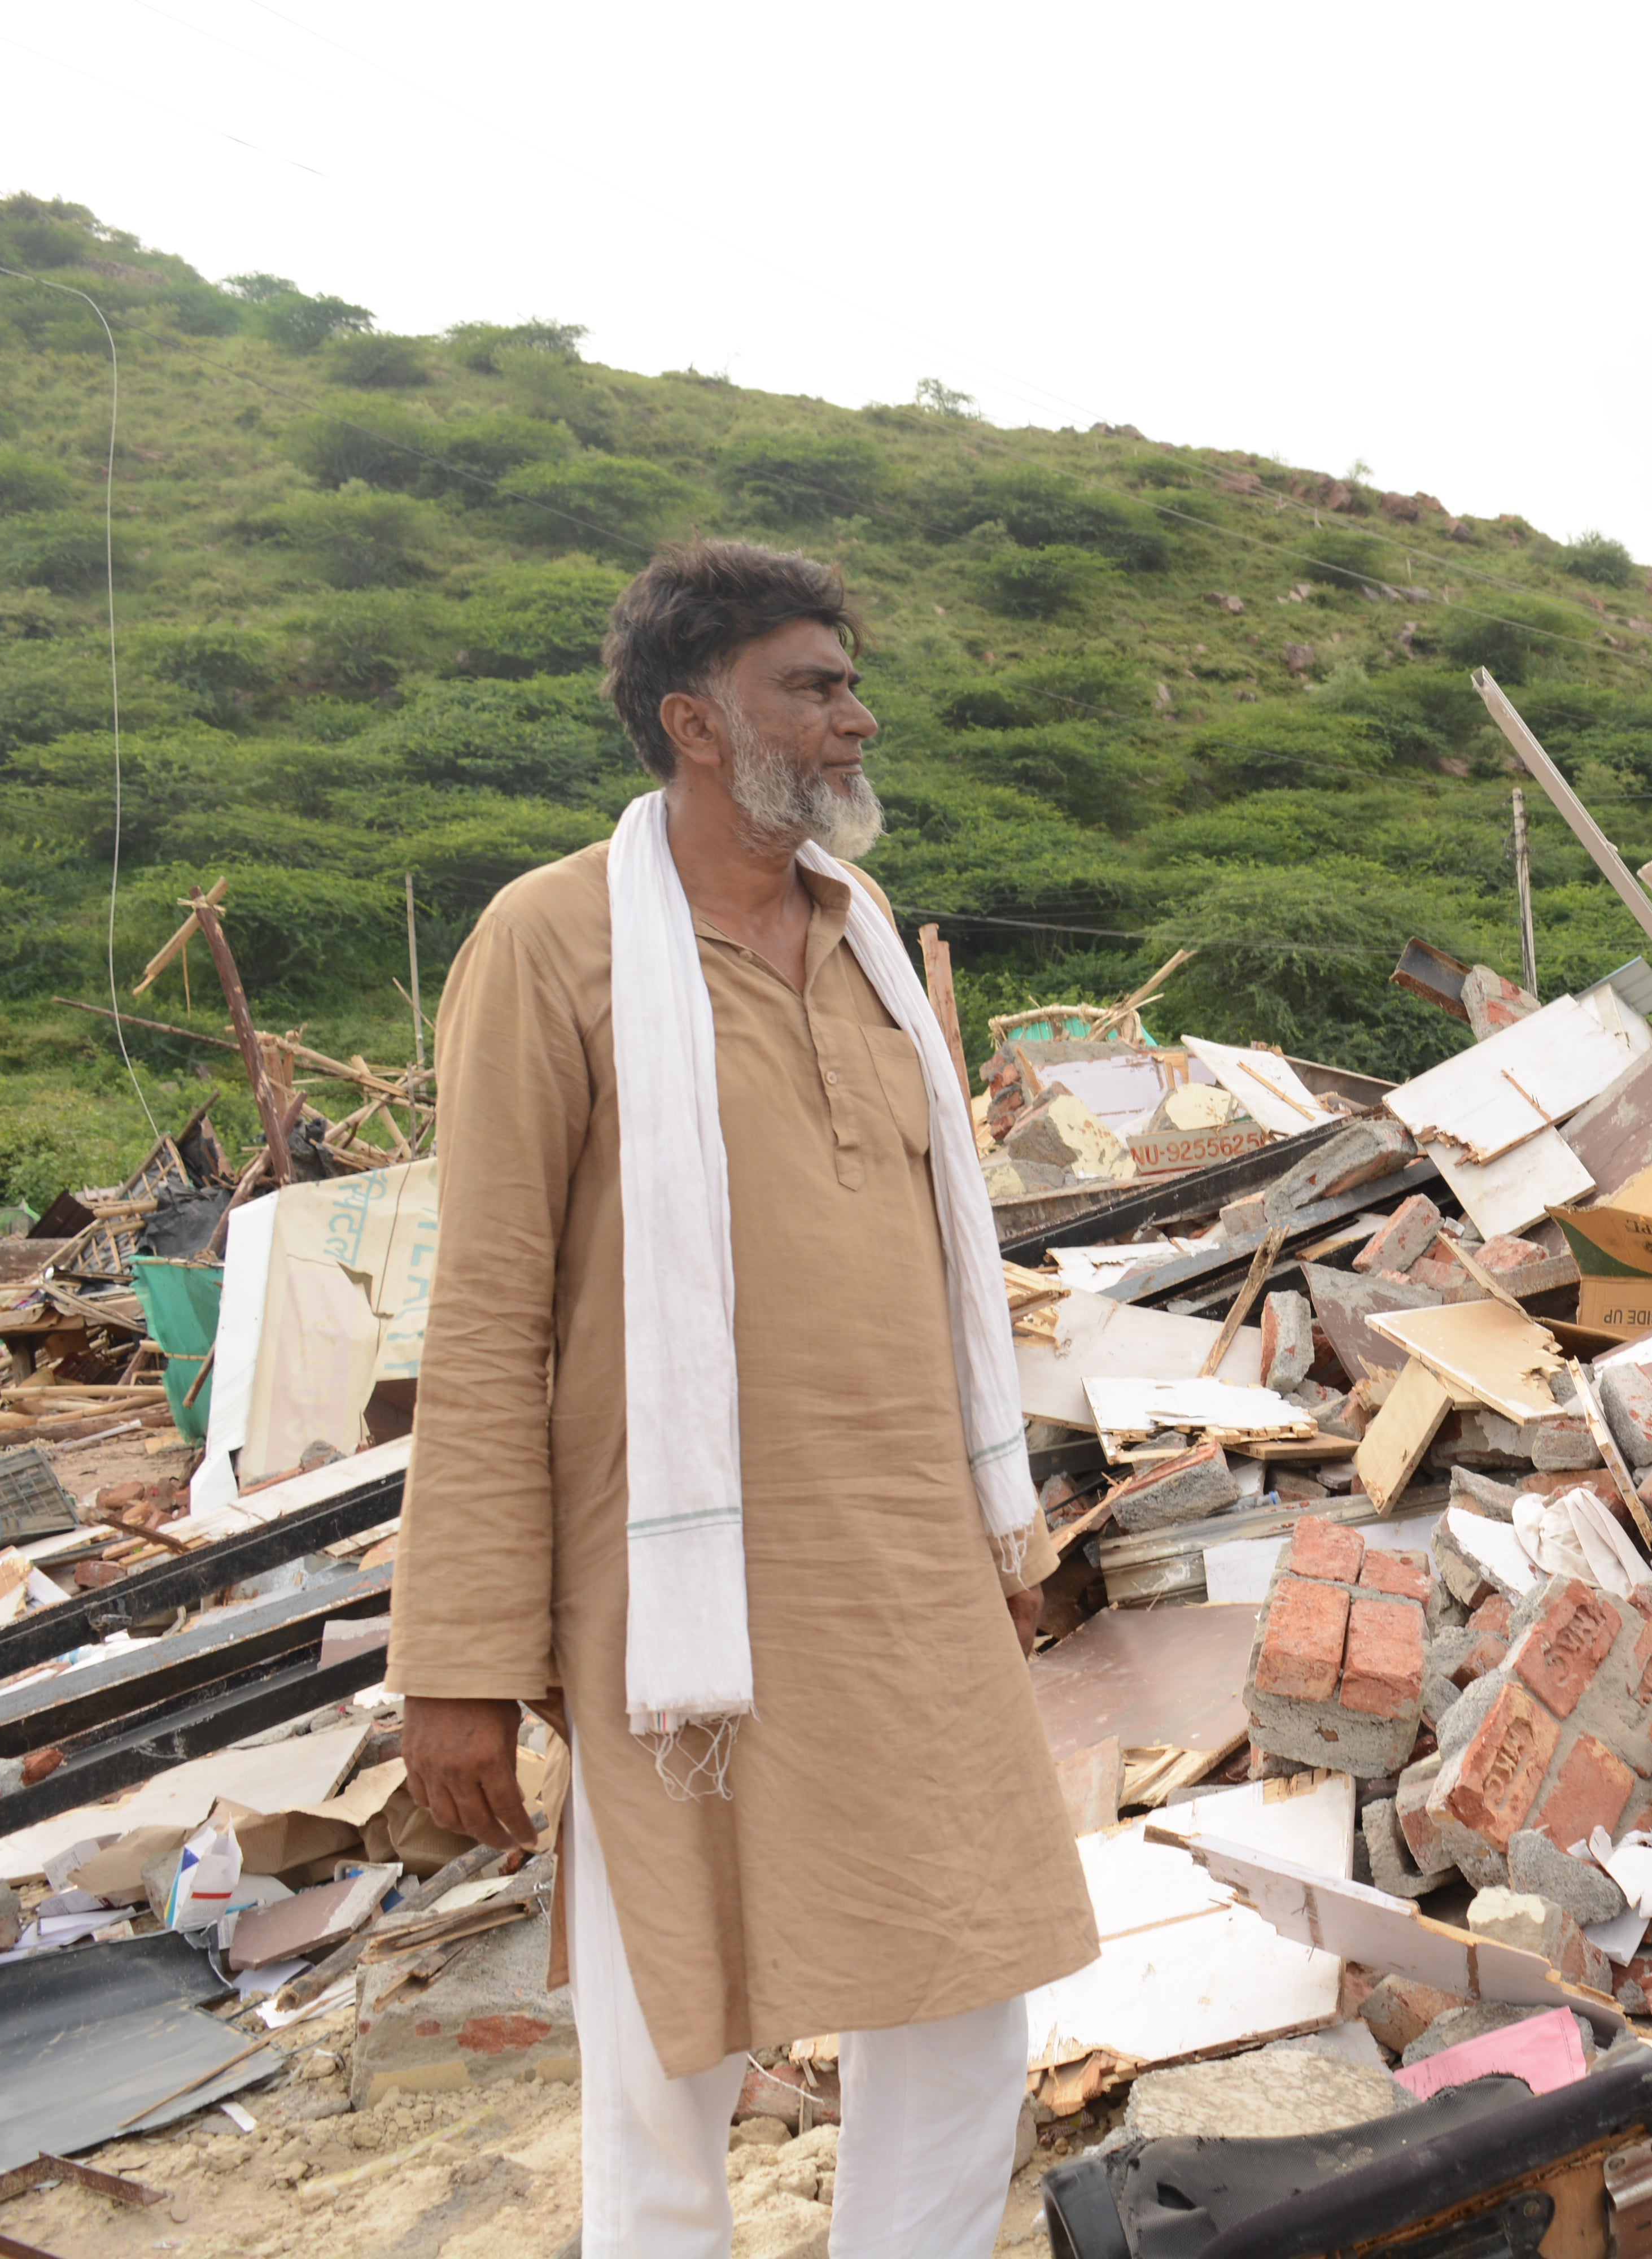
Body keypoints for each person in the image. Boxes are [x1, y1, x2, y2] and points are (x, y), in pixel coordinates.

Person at [386, 538, 1096, 2259]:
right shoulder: (554, 944)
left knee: (964, 1981)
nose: (857, 718)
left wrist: (1009, 1549)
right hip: (675, 1589)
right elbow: (484, 1313)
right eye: (815, 685)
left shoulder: (866, 952)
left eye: (851, 682)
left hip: (910, 1567)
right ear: (697, 722)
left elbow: (939, 1286)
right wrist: (460, 1661)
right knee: (669, 2030)